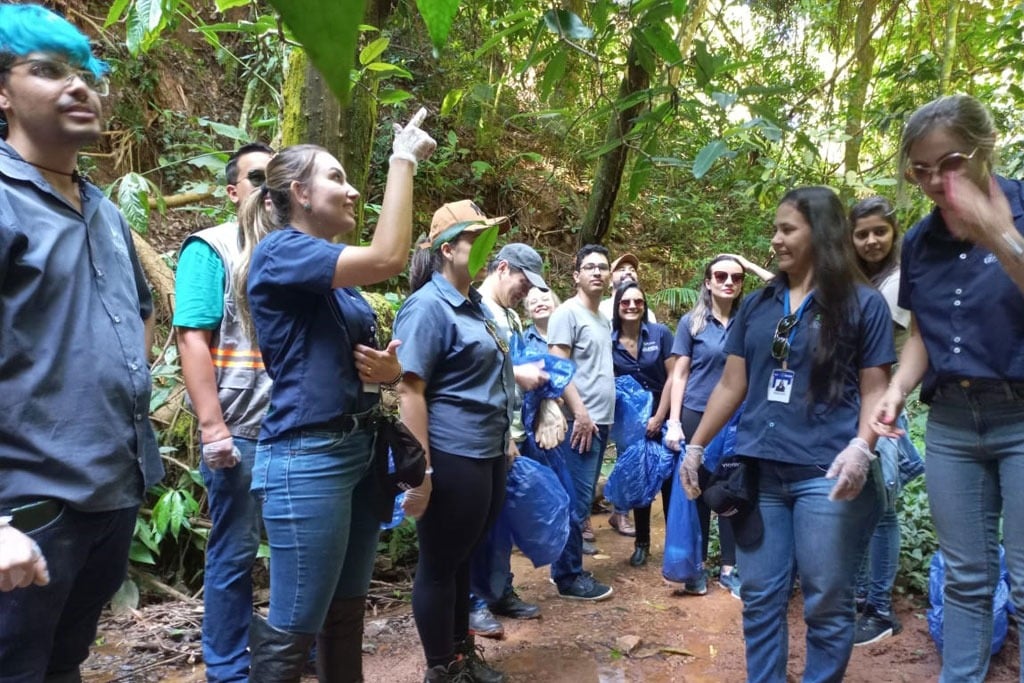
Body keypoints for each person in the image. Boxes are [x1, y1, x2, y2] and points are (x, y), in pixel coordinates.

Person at [239, 112, 435, 681]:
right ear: (299, 193)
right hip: (308, 457)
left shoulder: (334, 284)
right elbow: (388, 258)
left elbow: (352, 368)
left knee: (346, 615)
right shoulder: (280, 252)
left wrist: (389, 370)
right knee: (295, 624)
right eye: (337, 178)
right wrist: (402, 159)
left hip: (357, 452)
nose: (351, 189)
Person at [0, 4, 164, 679]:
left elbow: (142, 311)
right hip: (26, 509)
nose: (79, 87)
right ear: (3, 93)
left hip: (110, 496)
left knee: (64, 662)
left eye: (86, 75)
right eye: (47, 71)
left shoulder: (103, 211)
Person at [681, 186, 893, 683]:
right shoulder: (758, 305)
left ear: (821, 233)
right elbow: (733, 384)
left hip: (827, 473)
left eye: (786, 229)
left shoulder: (863, 304)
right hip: (760, 474)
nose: (774, 240)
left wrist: (864, 448)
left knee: (825, 600)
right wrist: (696, 445)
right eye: (775, 229)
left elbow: (875, 390)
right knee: (759, 596)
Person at [871, 94, 1024, 682]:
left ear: (986, 149)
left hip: (1020, 414)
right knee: (965, 575)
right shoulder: (919, 240)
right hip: (953, 423)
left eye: (951, 163)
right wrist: (897, 388)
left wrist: (997, 234)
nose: (936, 180)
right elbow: (925, 332)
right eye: (921, 169)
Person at [394, 201, 515, 683]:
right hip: (452, 452)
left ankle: (461, 657)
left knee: (464, 555)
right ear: (448, 250)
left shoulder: (478, 305)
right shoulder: (427, 306)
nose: (487, 247)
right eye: (475, 239)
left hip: (488, 450)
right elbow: (410, 388)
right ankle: (439, 669)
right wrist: (421, 470)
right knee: (441, 563)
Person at [174, 142, 274, 682]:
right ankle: (228, 667)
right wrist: (213, 428)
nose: (268, 187)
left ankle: (288, 649)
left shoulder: (290, 247)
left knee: (292, 550)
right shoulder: (211, 248)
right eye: (256, 178)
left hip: (292, 432)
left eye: (277, 176)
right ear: (233, 190)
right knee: (235, 553)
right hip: (240, 431)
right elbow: (192, 337)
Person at [848, 196, 924, 646]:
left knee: (882, 511)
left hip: (885, 408)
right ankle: (863, 598)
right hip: (858, 406)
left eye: (880, 231)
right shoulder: (862, 280)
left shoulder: (895, 283)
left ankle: (879, 607)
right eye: (862, 233)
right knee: (862, 506)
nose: (872, 240)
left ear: (894, 234)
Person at [664, 255, 763, 597]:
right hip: (696, 414)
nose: (728, 282)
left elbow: (781, 290)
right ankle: (697, 566)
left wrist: (750, 266)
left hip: (737, 417)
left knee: (732, 491)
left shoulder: (748, 320)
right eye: (720, 275)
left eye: (736, 277)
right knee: (698, 491)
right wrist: (674, 421)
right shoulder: (692, 323)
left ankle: (730, 567)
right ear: (707, 281)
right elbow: (679, 373)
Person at [468, 243, 550, 639]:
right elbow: (476, 374)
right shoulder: (477, 311)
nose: (526, 291)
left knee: (501, 523)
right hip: (486, 436)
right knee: (477, 526)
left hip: (512, 430)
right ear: (502, 268)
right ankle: (472, 601)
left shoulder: (511, 317)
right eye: (522, 281)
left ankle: (499, 589)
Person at [546, 244, 615, 601]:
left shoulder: (602, 317)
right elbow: (558, 368)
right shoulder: (567, 314)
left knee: (581, 499)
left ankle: (566, 567)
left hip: (599, 422)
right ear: (576, 275)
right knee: (573, 500)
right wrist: (581, 413)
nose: (597, 272)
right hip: (579, 423)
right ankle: (568, 576)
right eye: (589, 267)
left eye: (603, 267)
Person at [609, 282, 675, 567]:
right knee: (640, 480)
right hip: (631, 423)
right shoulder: (609, 341)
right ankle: (642, 543)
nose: (633, 306)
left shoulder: (660, 335)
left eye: (638, 301)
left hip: (666, 414)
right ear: (617, 306)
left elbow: (674, 376)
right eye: (626, 302)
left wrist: (660, 417)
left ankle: (676, 545)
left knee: (670, 481)